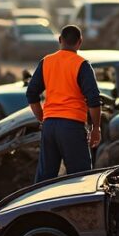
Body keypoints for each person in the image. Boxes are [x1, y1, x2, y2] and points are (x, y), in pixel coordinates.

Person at [25, 24, 106, 182]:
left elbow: (31, 93)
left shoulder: (46, 62)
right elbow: (94, 100)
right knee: (80, 180)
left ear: (60, 40)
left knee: (43, 182)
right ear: (80, 42)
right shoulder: (82, 65)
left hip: (49, 127)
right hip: (72, 127)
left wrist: (43, 118)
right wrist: (96, 128)